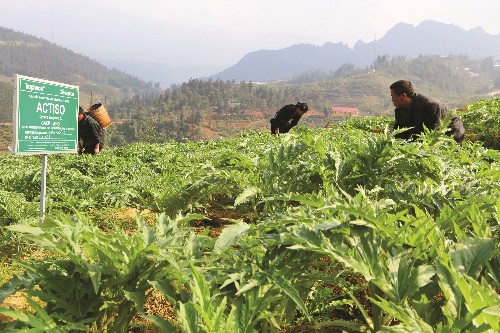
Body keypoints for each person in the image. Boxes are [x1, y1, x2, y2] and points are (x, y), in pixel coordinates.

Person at [390, 80, 465, 144]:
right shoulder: (400, 110)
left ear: (403, 96)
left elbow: (434, 132)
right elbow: (400, 133)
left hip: (452, 132)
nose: (392, 100)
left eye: (393, 97)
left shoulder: (430, 105)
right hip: (427, 133)